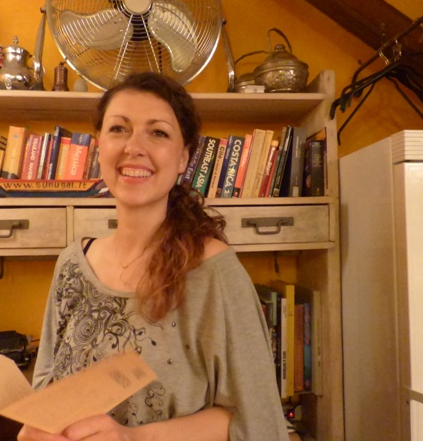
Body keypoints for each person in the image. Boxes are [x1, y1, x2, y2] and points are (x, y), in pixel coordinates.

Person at [19, 72, 289, 441]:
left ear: (183, 158)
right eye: (119, 129)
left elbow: (255, 418)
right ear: (99, 147)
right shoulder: (72, 263)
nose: (134, 146)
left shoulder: (214, 271)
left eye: (158, 132)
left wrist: (133, 438)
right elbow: (47, 385)